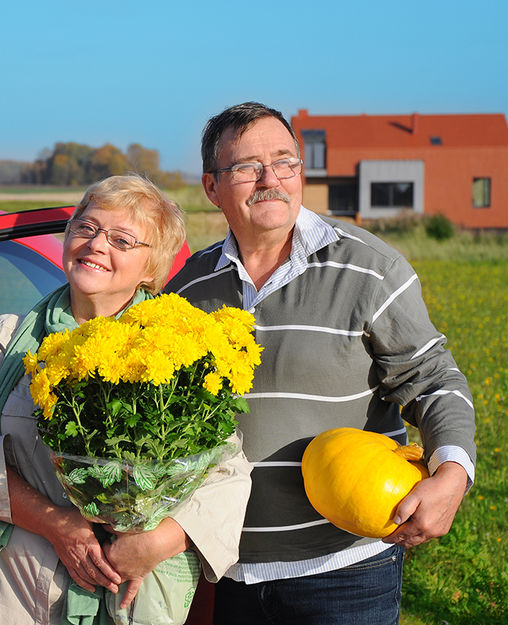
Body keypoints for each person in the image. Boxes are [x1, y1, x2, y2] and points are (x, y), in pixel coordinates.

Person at [164, 102, 476, 625]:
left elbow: (432, 378)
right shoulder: (189, 289)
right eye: (247, 168)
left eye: (284, 162)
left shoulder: (369, 266)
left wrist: (453, 472)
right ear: (212, 188)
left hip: (344, 572)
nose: (270, 180)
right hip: (224, 569)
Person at [0, 174, 252, 625]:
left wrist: (152, 546)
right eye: (86, 227)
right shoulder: (6, 341)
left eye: (122, 239)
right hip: (9, 580)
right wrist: (55, 523)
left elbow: (228, 474)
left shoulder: (183, 353)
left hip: (127, 584)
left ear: (150, 269)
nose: (96, 244)